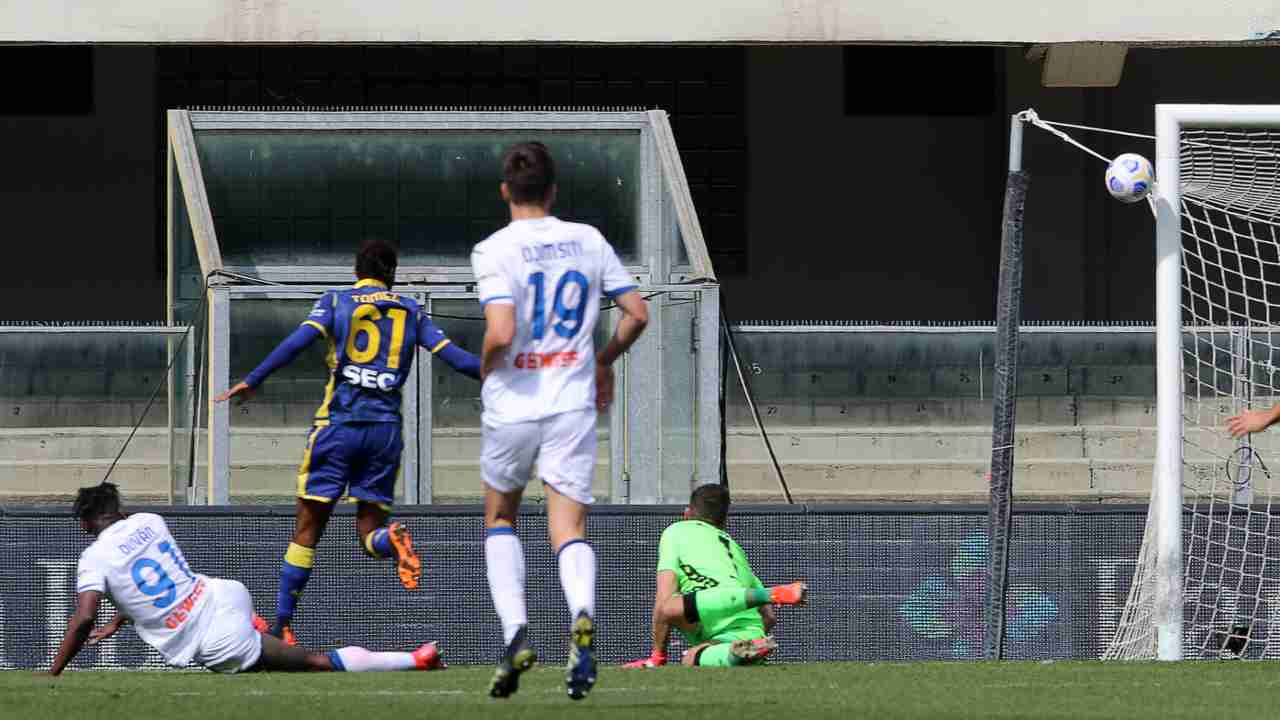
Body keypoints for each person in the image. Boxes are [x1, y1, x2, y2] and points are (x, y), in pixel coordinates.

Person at [216, 238, 481, 645]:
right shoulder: (411, 310)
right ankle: (390, 541)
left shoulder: (337, 302)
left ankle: (283, 625)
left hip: (337, 427)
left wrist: (253, 379)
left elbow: (297, 342)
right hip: (385, 433)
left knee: (307, 529)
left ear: (357, 271)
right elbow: (457, 358)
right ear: (392, 274)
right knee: (368, 534)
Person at [470, 141, 649, 700]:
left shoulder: (494, 249)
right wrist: (602, 361)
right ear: (553, 192)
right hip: (571, 401)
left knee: (501, 518)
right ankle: (582, 616)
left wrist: (485, 367)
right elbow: (636, 313)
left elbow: (499, 333)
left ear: (506, 191)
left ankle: (515, 632)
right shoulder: (589, 240)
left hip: (513, 404)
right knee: (568, 529)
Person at [48, 483, 445, 676]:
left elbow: (83, 619)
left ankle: (414, 661)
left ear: (85, 524)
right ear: (117, 508)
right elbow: (151, 581)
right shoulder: (151, 521)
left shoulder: (92, 557)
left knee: (314, 663)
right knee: (302, 657)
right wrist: (120, 619)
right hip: (223, 593)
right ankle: (415, 657)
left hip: (212, 636)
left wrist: (54, 671)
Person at [622, 484, 808, 669]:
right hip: (749, 628)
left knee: (667, 607)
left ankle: (770, 594)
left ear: (687, 514)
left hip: (712, 607)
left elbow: (663, 600)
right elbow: (769, 617)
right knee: (691, 658)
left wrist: (658, 656)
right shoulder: (735, 549)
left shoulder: (676, 531)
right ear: (724, 520)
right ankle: (737, 653)